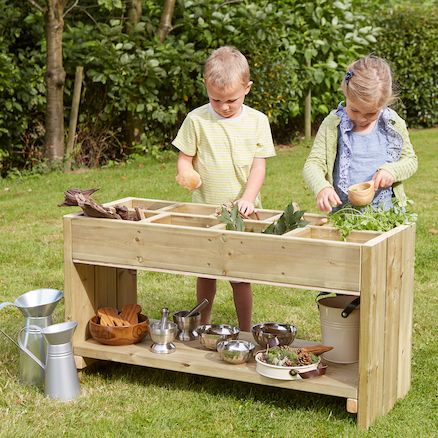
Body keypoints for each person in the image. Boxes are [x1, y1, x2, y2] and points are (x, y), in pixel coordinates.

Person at [172, 46, 276, 331]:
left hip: (242, 211)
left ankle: (244, 329)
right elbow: (185, 158)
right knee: (206, 272)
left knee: (240, 275)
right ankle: (203, 324)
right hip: (206, 210)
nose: (224, 106)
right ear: (206, 87)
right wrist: (186, 172)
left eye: (231, 99)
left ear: (247, 88)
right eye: (216, 100)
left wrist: (248, 198)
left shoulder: (257, 121)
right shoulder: (197, 119)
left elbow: (258, 167)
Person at [303, 55, 418, 213]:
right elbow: (313, 164)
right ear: (346, 94)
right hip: (345, 215)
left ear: (383, 103)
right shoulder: (333, 124)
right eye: (355, 110)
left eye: (370, 113)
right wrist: (322, 187)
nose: (361, 118)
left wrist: (392, 170)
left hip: (387, 214)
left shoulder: (392, 123)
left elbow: (411, 160)